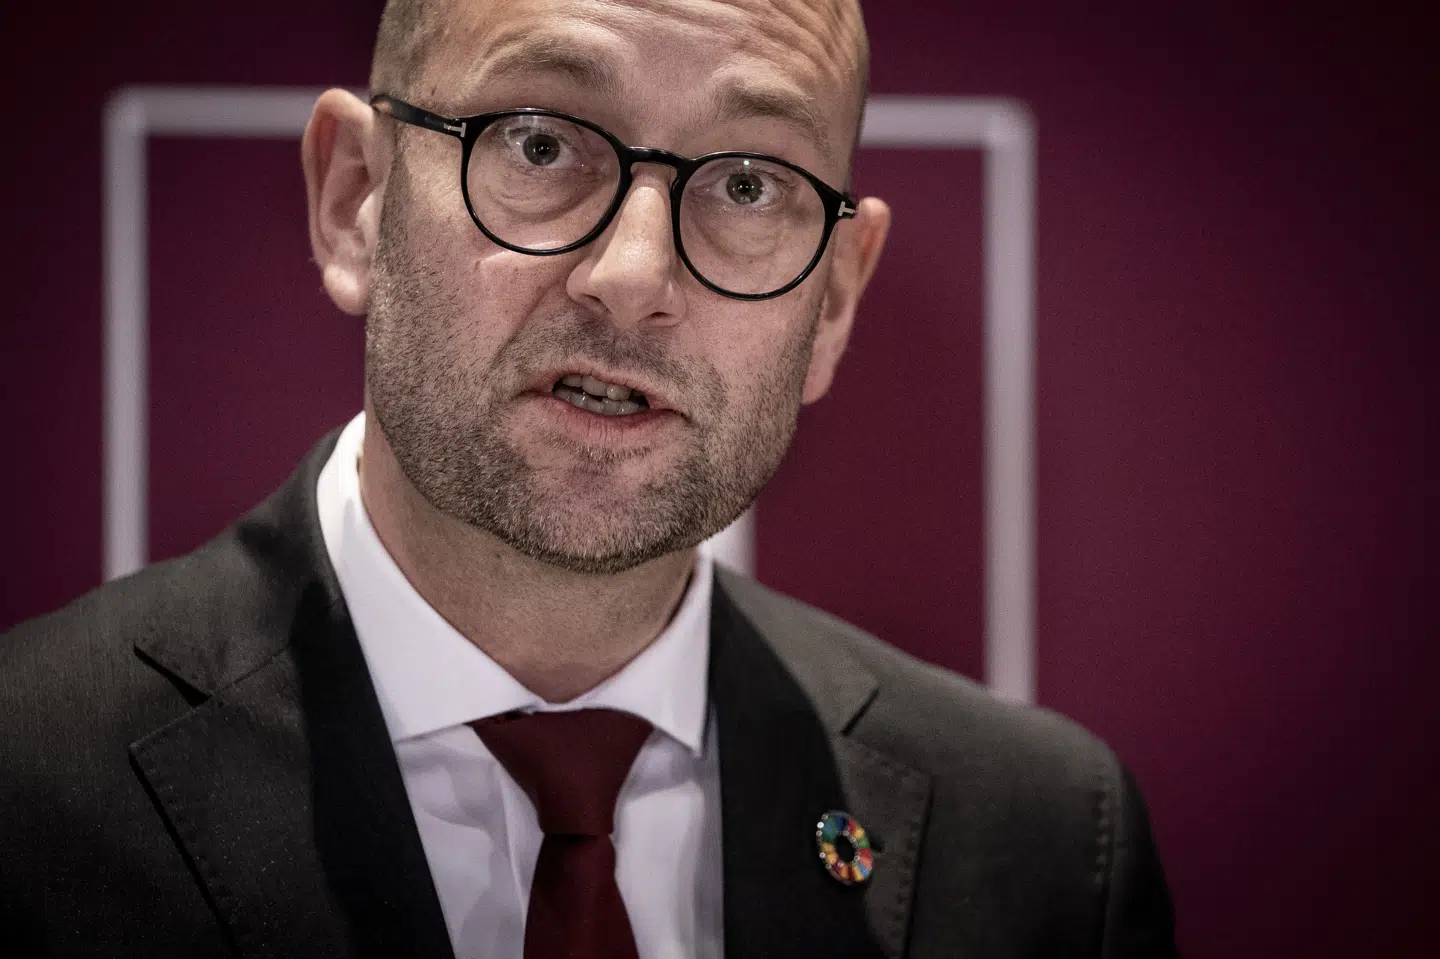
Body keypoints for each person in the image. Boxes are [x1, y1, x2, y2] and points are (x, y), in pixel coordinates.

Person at [0, 0, 1177, 955]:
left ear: (832, 302)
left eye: (750, 183)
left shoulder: (1046, 845)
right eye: (540, 143)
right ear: (355, 197)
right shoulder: (28, 777)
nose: (634, 275)